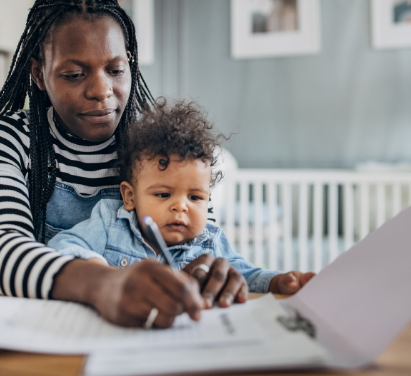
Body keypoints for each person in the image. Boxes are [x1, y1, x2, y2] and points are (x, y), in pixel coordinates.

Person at [0, 0, 243, 329]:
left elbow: (201, 235)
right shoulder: (9, 139)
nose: (101, 91)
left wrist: (207, 267)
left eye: (115, 70)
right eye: (73, 75)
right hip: (43, 329)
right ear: (39, 73)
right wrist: (103, 285)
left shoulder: (158, 144)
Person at [47, 99, 315, 305]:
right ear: (130, 197)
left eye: (195, 197)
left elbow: (247, 276)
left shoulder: (210, 242)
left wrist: (279, 282)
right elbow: (62, 245)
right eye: (163, 195)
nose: (181, 206)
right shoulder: (110, 222)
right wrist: (101, 275)